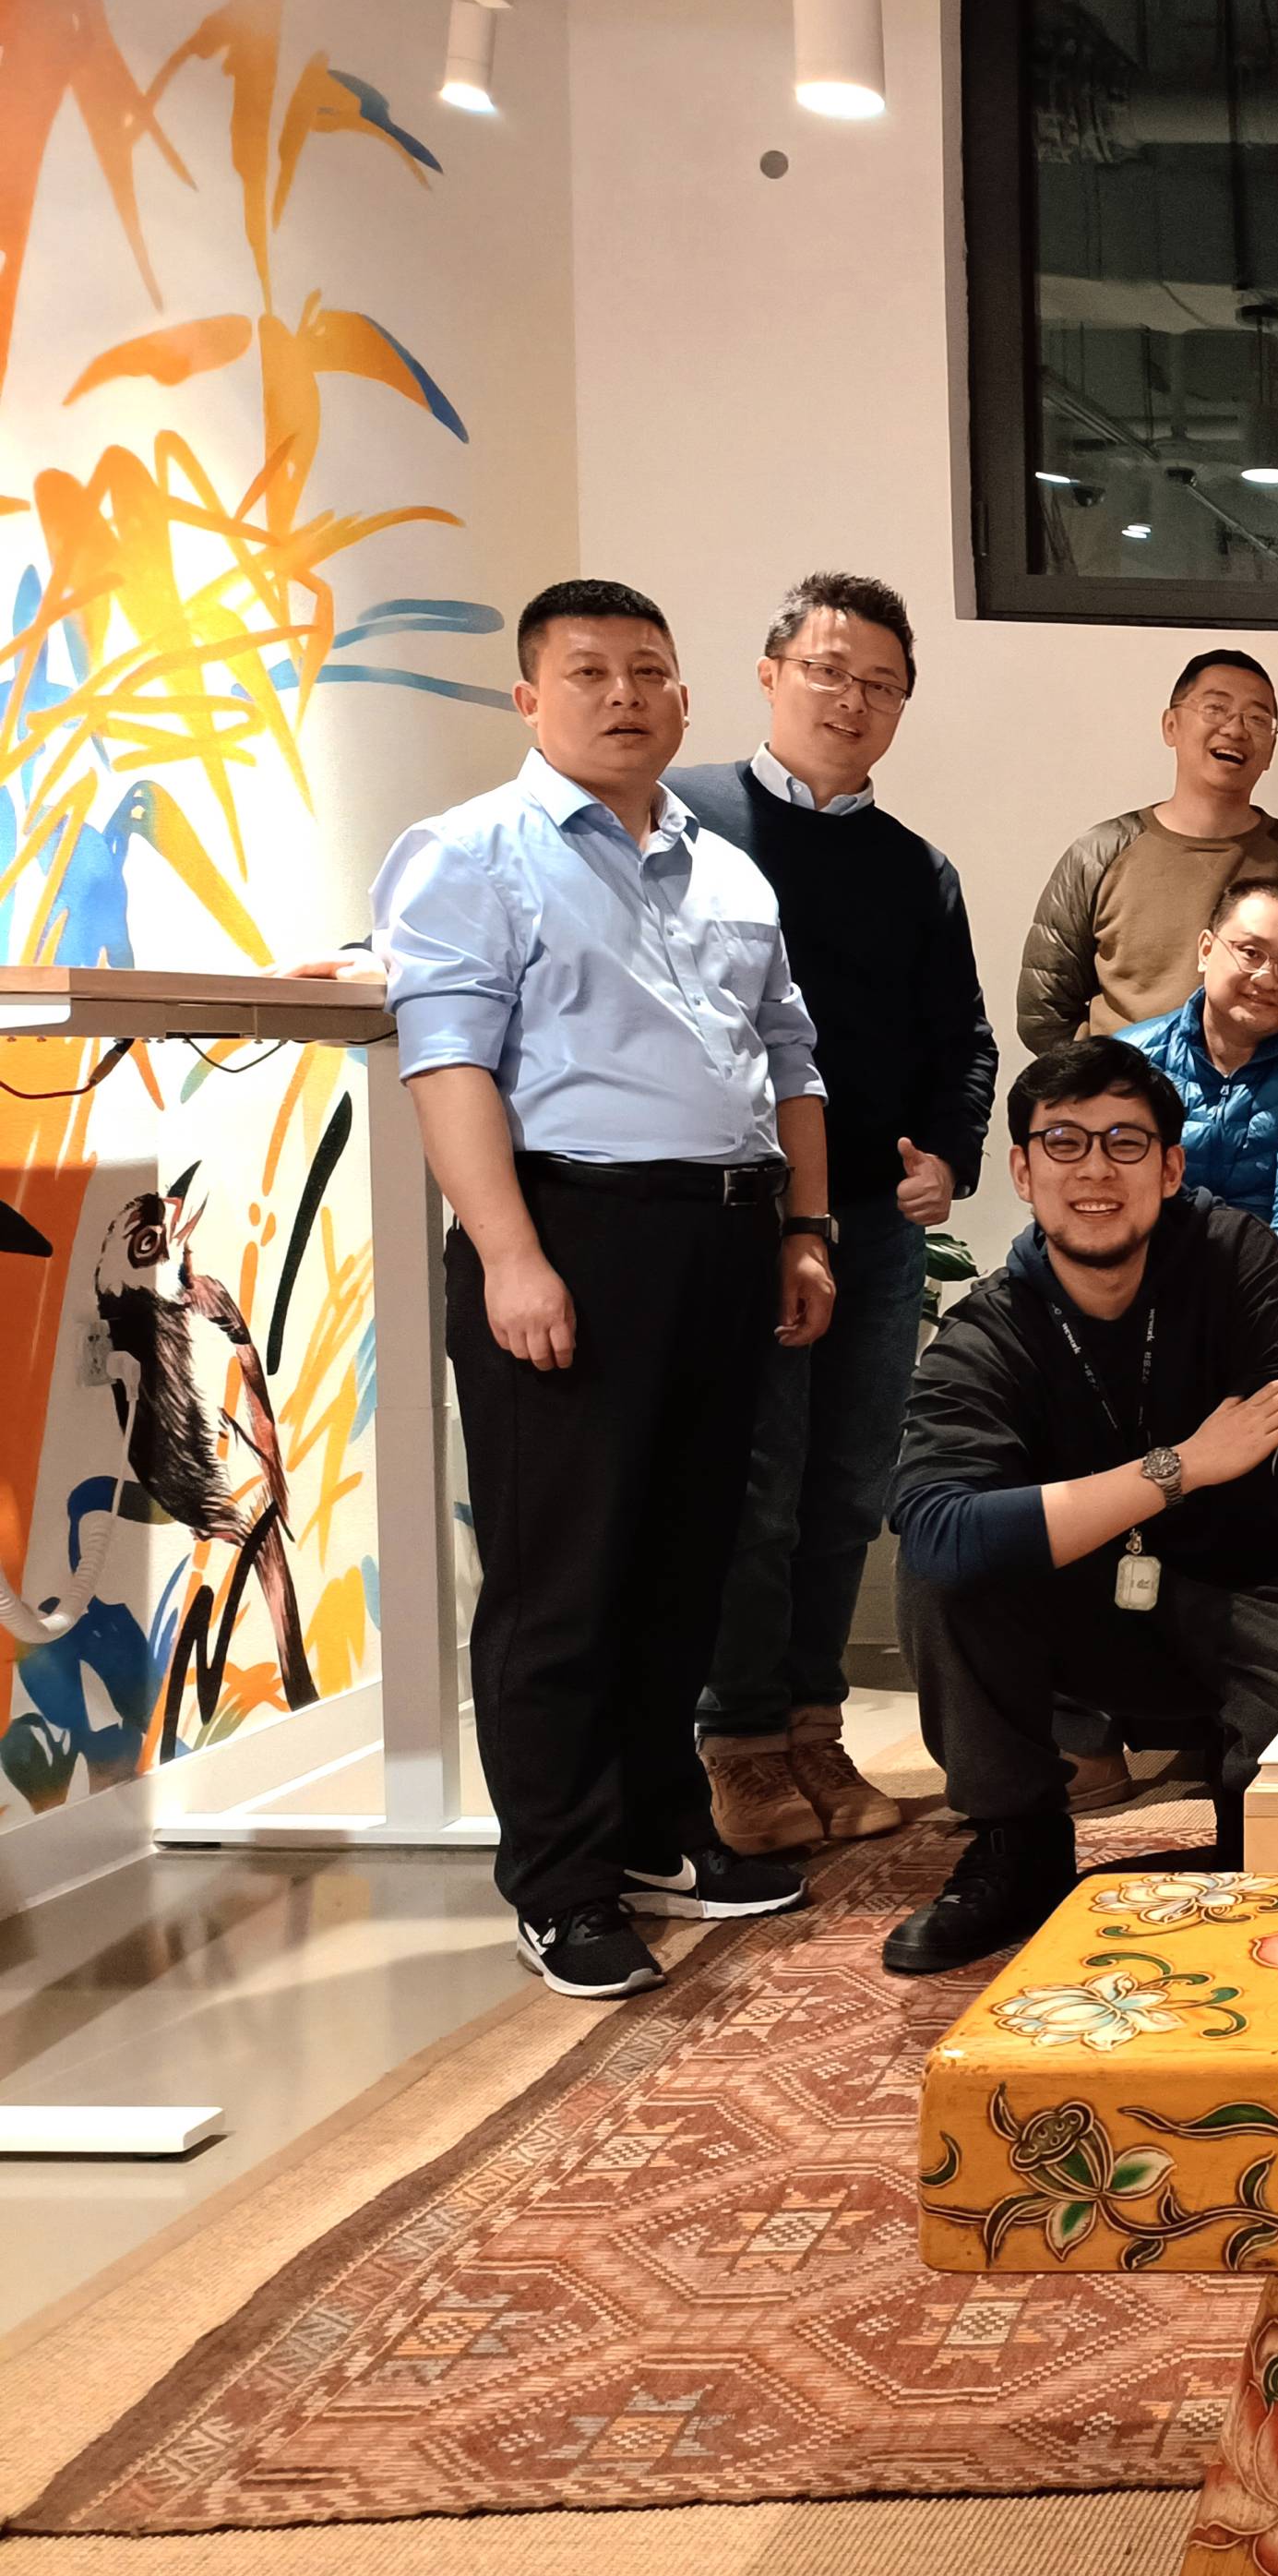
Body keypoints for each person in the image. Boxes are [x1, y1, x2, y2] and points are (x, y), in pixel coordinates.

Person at [370, 578, 836, 2000]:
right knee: (562, 1578)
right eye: (588, 672)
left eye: (647, 670)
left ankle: (655, 1832)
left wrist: (805, 1228)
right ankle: (562, 1882)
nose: (623, 695)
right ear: (531, 698)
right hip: (573, 1230)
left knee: (683, 1560)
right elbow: (448, 1067)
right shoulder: (469, 855)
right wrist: (511, 1254)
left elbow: (790, 1061)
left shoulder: (730, 870)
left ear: (686, 697)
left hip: (726, 1234)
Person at [882, 1040, 1278, 1973]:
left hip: (1252, 1589)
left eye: (1125, 1142)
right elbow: (936, 1530)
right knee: (950, 1576)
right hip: (1087, 1610)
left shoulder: (1232, 1256)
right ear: (1023, 1171)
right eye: (1064, 1142)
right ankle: (1018, 1846)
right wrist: (1180, 1468)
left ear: (1169, 1168)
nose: (1095, 1169)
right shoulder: (990, 1329)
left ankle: (1248, 1837)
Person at [669, 573, 996, 1860]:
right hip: (734, 1210)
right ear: (769, 674)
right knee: (755, 1481)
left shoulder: (916, 869)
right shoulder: (682, 819)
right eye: (828, 671)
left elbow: (962, 1040)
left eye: (881, 686)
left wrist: (948, 1159)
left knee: (848, 1484)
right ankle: (739, 1740)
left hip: (872, 1216)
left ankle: (814, 1725)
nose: (852, 702)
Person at [1019, 649, 1278, 1054]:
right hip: (1126, 1088)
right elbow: (1042, 1014)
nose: (1235, 729)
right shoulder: (1096, 855)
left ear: (1272, 748)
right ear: (1171, 725)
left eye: (1258, 719)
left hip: (1263, 1093)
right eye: (1215, 708)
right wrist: (1107, 1083)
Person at [1119, 878, 1278, 1300]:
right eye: (1251, 952)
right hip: (1142, 1288)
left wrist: (1270, 1316)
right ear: (1206, 950)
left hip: (1267, 1292)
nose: (1267, 978)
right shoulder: (1131, 1057)